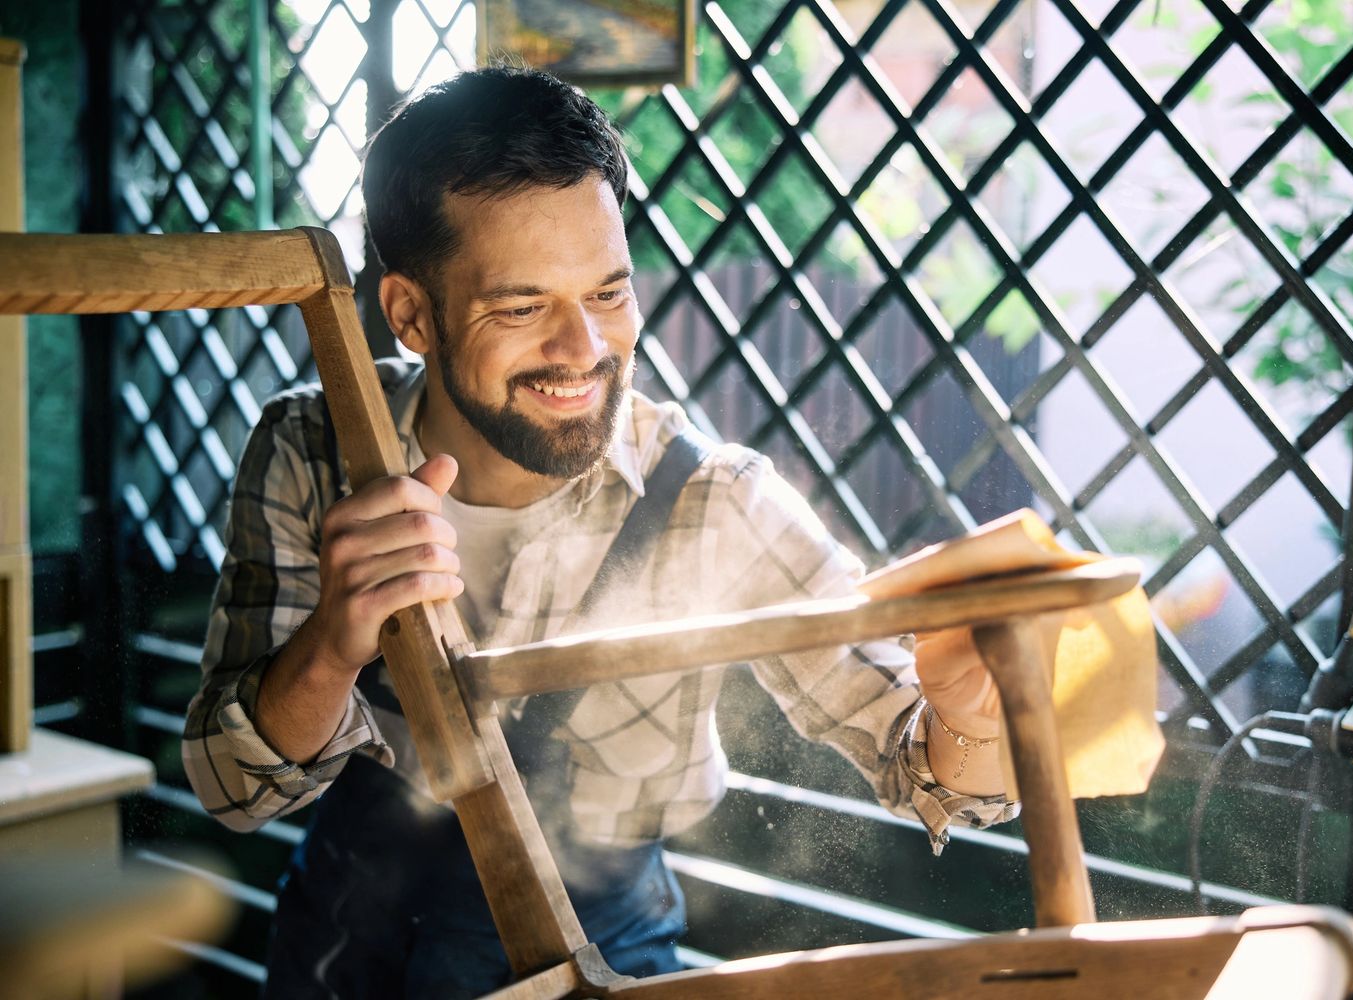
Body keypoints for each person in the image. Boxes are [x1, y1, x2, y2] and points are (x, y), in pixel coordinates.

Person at [183, 66, 1032, 999]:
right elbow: (234, 789)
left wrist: (973, 712)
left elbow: (942, 783)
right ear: (411, 315)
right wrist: (333, 643)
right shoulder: (312, 445)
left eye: (608, 293)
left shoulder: (714, 502)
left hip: (601, 942)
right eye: (522, 306)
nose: (583, 348)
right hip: (344, 933)